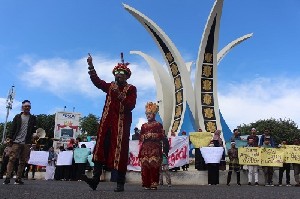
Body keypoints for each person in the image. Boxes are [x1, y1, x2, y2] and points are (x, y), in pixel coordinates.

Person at [82, 53, 137, 192]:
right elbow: (97, 82)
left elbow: (131, 105)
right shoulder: (110, 86)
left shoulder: (131, 89)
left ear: (126, 76)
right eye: (117, 73)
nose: (118, 75)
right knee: (100, 150)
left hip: (121, 126)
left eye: (121, 73)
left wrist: (120, 96)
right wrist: (90, 65)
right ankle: (95, 181)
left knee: (120, 152)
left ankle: (120, 184)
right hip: (106, 124)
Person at [3, 100, 37, 185]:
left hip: (26, 142)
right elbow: (13, 128)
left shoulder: (33, 118)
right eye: (25, 106)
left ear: (30, 107)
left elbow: (33, 130)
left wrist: (35, 136)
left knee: (23, 161)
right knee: (12, 159)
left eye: (28, 106)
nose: (27, 107)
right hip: (16, 141)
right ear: (22, 107)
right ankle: (8, 177)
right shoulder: (17, 117)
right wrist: (10, 138)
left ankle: (18, 178)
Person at [138, 102, 164, 190]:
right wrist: (144, 136)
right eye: (147, 114)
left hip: (155, 148)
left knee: (154, 165)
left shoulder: (158, 125)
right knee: (145, 165)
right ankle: (146, 183)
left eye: (149, 114)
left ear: (154, 114)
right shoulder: (143, 126)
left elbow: (162, 135)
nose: (148, 115)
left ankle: (154, 183)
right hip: (145, 148)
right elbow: (140, 136)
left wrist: (153, 135)